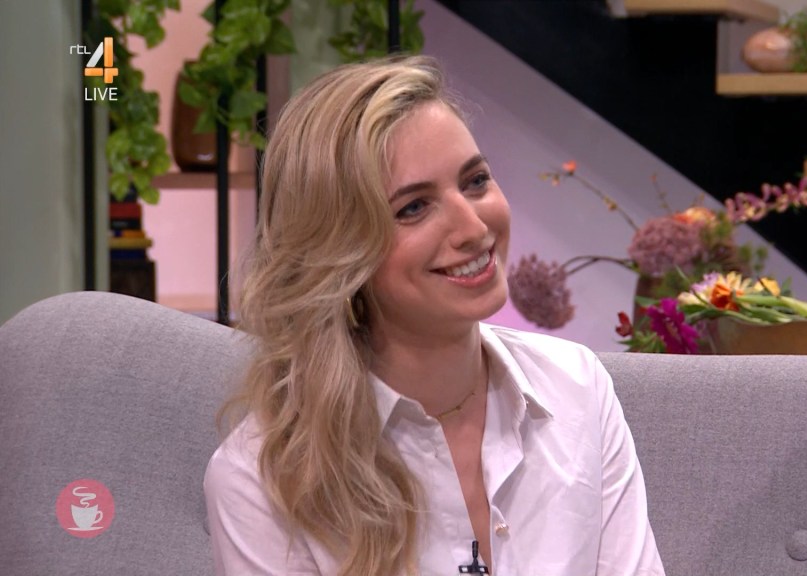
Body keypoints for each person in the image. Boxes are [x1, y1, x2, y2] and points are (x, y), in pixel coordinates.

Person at [204, 54, 665, 576]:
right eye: (413, 207)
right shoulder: (261, 482)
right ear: (337, 251)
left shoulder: (578, 386)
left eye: (476, 181)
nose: (474, 228)